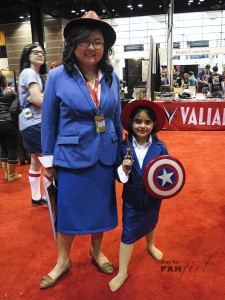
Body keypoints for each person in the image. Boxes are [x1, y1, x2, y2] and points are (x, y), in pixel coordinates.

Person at [39, 11, 123, 289]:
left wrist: (122, 155)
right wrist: (48, 160)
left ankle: (96, 251)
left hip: (105, 155)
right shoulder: (56, 77)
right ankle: (63, 260)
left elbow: (116, 117)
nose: (91, 47)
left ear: (105, 48)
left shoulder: (112, 78)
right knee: (68, 212)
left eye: (98, 42)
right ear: (73, 44)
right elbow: (49, 121)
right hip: (71, 157)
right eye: (85, 41)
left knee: (100, 209)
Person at [109, 99, 168, 292]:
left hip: (153, 197)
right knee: (129, 232)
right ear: (130, 123)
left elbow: (168, 171)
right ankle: (123, 271)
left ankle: (150, 245)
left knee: (152, 221)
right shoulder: (123, 147)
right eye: (138, 121)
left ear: (154, 125)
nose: (142, 126)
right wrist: (124, 169)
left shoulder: (160, 147)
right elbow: (118, 176)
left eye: (147, 122)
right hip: (132, 198)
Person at [18, 43, 47, 205]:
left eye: (41, 52)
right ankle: (51, 198)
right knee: (49, 161)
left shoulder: (32, 74)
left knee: (36, 161)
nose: (39, 54)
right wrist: (46, 97)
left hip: (29, 124)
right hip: (35, 123)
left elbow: (38, 98)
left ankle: (36, 197)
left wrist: (42, 96)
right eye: (35, 52)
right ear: (27, 56)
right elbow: (37, 100)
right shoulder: (29, 72)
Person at [0, 71, 22, 182]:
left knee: (3, 148)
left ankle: (6, 174)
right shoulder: (10, 93)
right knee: (11, 148)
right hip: (9, 122)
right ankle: (12, 176)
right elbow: (17, 106)